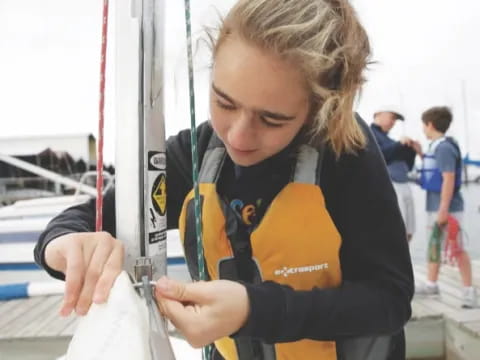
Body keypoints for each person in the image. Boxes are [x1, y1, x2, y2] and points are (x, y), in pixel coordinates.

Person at [34, 1, 413, 359]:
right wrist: (63, 243)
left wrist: (253, 309)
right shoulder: (194, 154)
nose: (237, 137)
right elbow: (88, 220)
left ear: (318, 108)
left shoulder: (344, 153)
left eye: (271, 119)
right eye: (224, 102)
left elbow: (390, 299)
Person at [415, 106, 477, 308]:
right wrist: (419, 154)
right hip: (435, 205)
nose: (423, 129)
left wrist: (443, 209)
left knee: (457, 247)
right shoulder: (437, 147)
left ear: (430, 124)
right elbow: (434, 171)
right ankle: (432, 284)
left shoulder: (444, 148)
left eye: (423, 125)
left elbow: (448, 178)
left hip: (447, 208)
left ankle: (469, 290)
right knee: (434, 245)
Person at [370, 107, 418, 242]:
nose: (394, 121)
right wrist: (399, 145)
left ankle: (404, 261)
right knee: (396, 232)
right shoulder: (368, 134)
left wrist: (411, 149)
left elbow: (408, 166)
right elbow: (378, 156)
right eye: (392, 117)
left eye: (395, 120)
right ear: (379, 113)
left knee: (408, 231)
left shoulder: (390, 140)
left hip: (403, 184)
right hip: (390, 187)